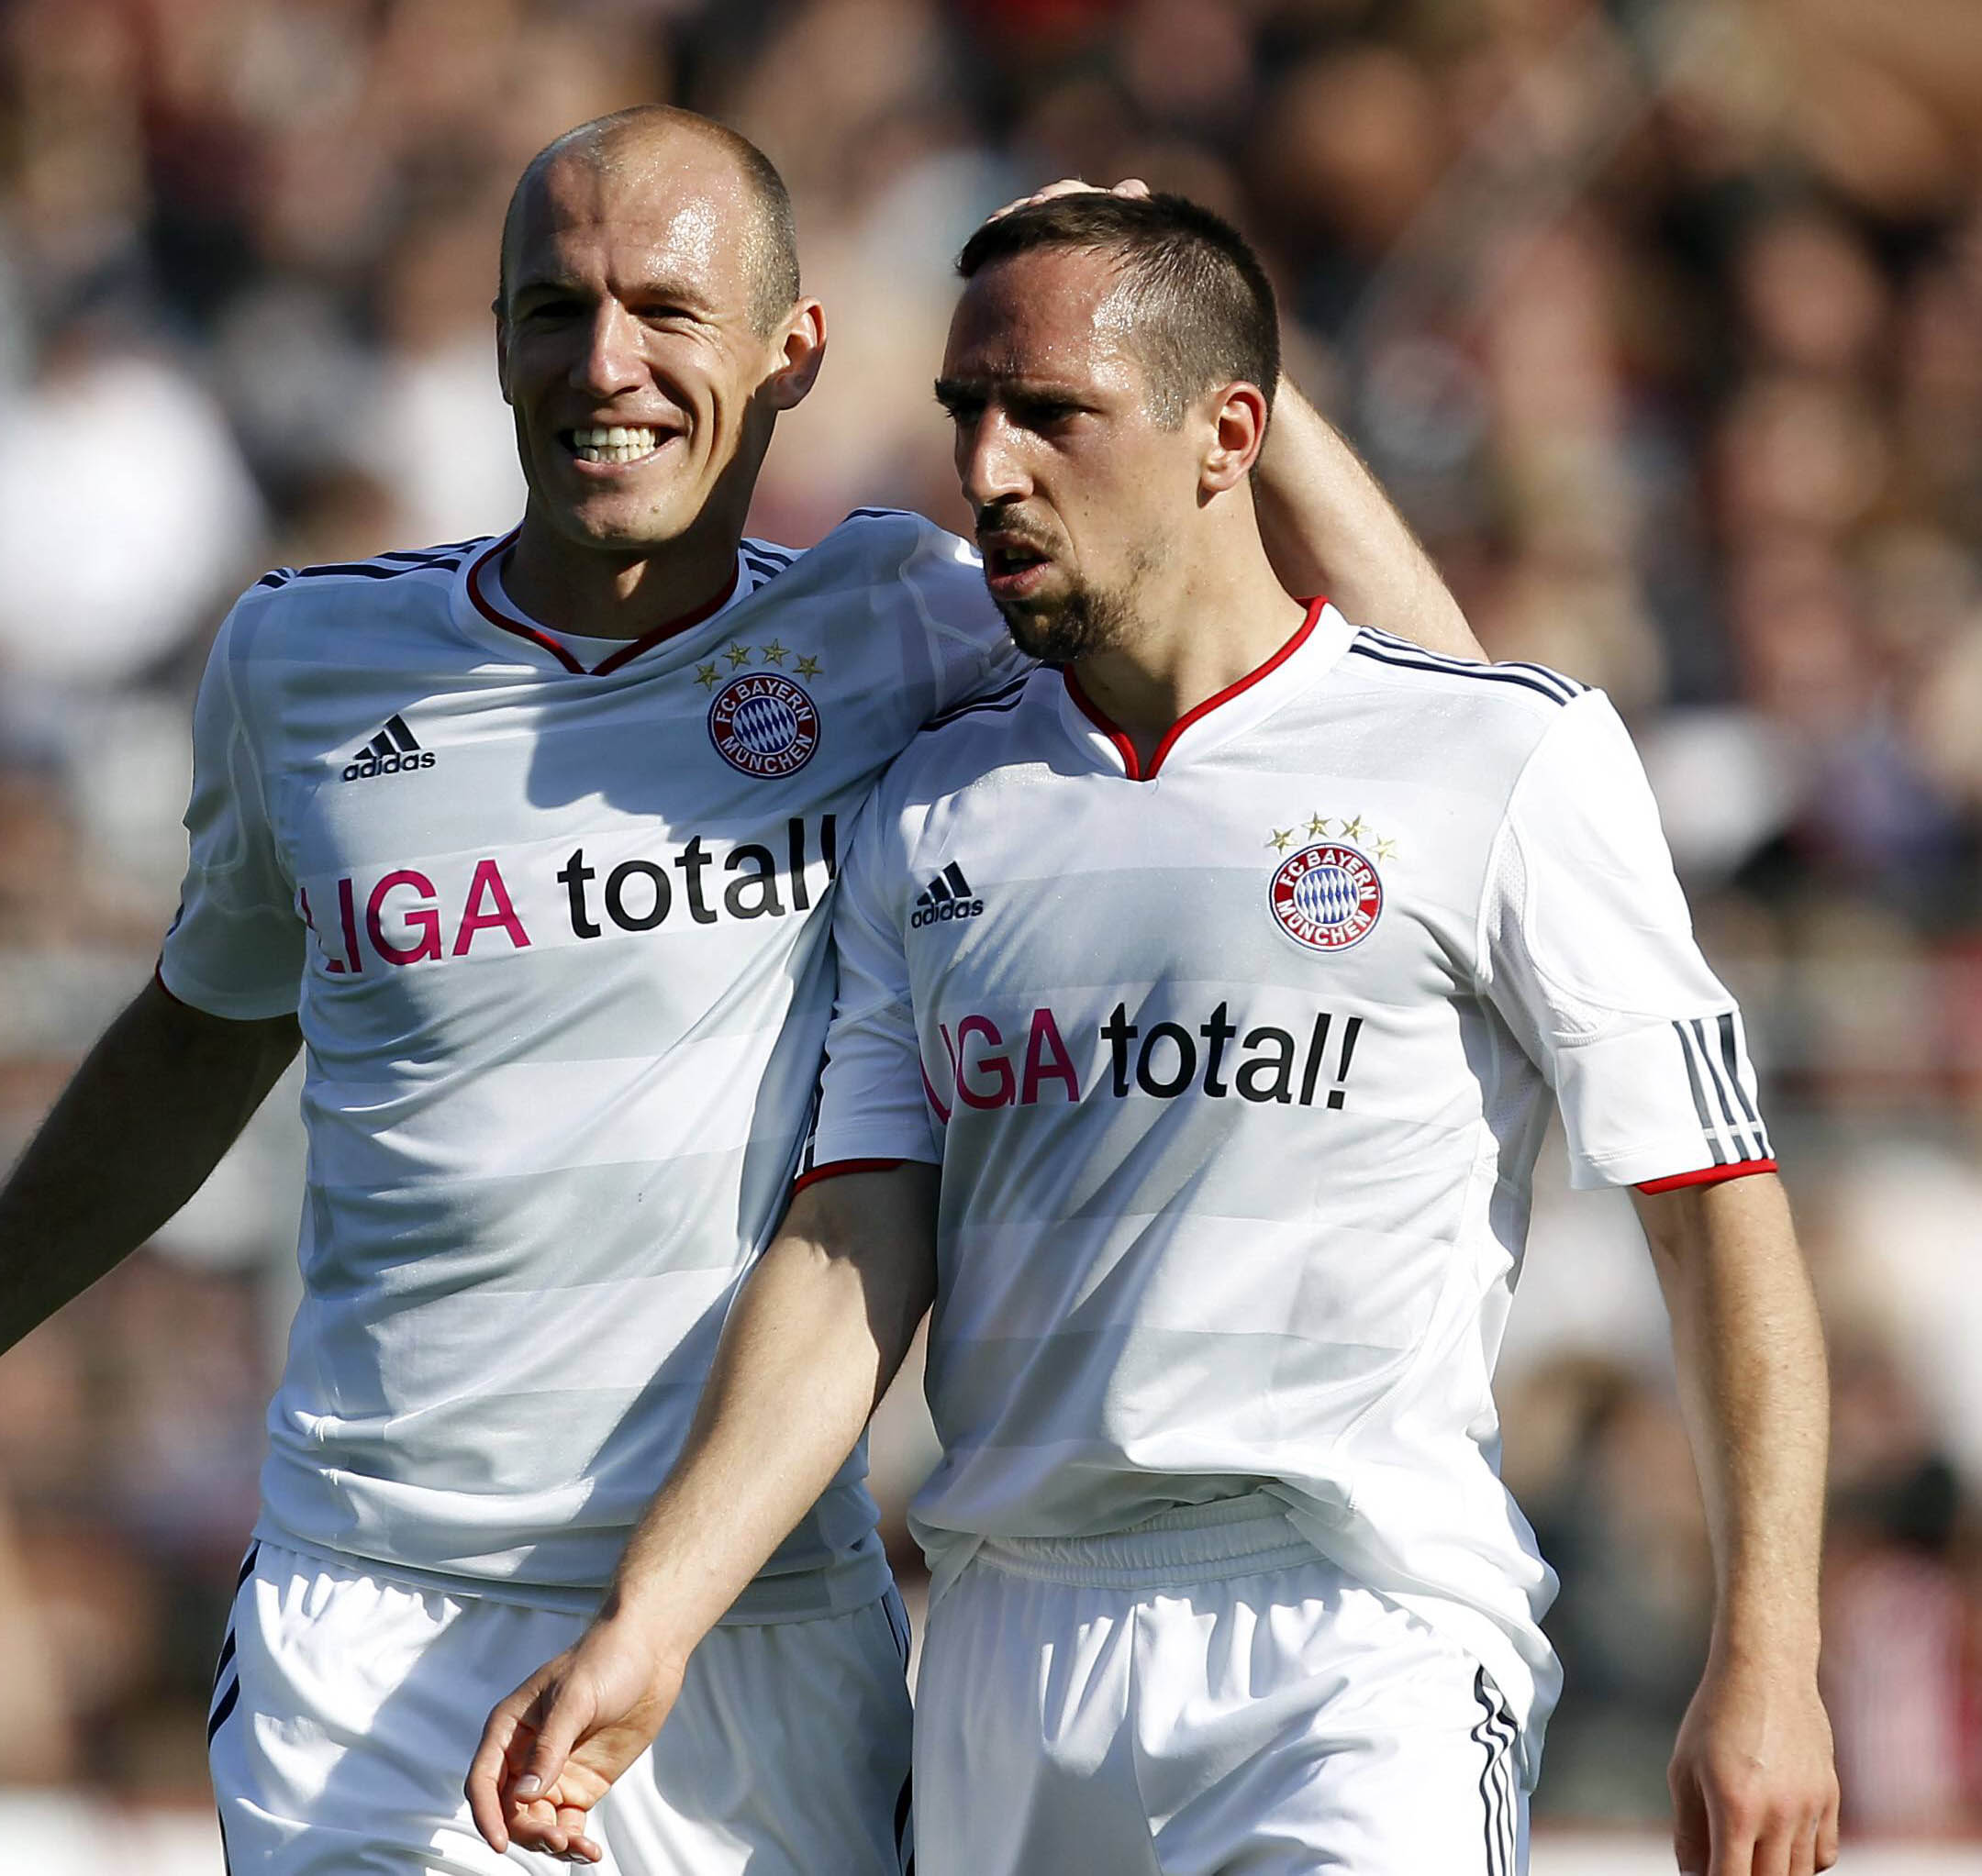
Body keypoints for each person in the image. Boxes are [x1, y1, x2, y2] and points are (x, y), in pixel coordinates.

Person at [0, 108, 1476, 1874]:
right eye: (553, 310)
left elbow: (1432, 725)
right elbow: (203, 1029)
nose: (606, 364)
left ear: (793, 353)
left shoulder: (904, 632)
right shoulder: (306, 662)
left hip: (760, 1635)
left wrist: (1233, 369)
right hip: (380, 1624)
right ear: (493, 345)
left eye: (667, 309)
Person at [470, 191, 1842, 1876]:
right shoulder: (931, 805)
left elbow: (1718, 1209)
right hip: (1004, 1652)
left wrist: (1769, 1654)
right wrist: (655, 1620)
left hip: (1358, 1639)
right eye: (968, 412)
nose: (986, 472)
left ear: (1230, 439)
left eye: (1052, 413)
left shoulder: (1503, 760)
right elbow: (850, 1251)